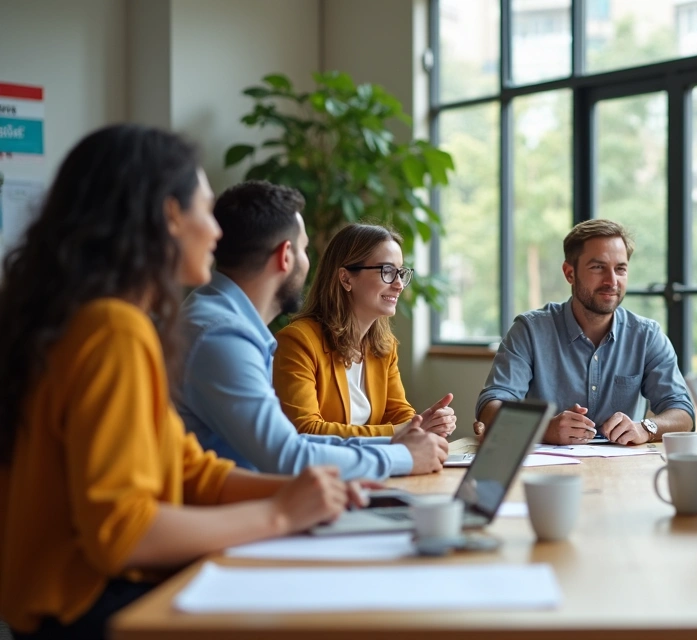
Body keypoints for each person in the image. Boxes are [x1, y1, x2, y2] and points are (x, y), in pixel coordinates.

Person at [0, 125, 368, 639]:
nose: (216, 233)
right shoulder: (112, 330)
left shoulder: (93, 319)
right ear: (169, 217)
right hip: (90, 610)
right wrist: (280, 514)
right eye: (204, 209)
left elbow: (188, 468)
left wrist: (303, 488)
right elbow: (123, 534)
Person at [177, 181, 448, 479]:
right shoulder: (223, 335)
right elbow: (287, 454)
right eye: (306, 249)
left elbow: (291, 445)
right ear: (286, 256)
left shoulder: (223, 320)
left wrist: (402, 444)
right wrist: (401, 455)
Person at [475, 219, 694, 445]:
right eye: (598, 267)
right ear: (569, 273)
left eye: (620, 269)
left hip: (624, 473)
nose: (612, 281)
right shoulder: (530, 331)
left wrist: (646, 428)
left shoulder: (647, 336)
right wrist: (543, 429)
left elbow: (683, 413)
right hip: (548, 474)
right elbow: (491, 406)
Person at [273, 223, 457, 440]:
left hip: (372, 468)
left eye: (401, 273)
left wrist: (426, 423)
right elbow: (307, 430)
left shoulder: (384, 346)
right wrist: (402, 431)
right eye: (387, 271)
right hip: (319, 471)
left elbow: (398, 413)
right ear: (346, 278)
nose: (399, 284)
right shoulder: (298, 341)